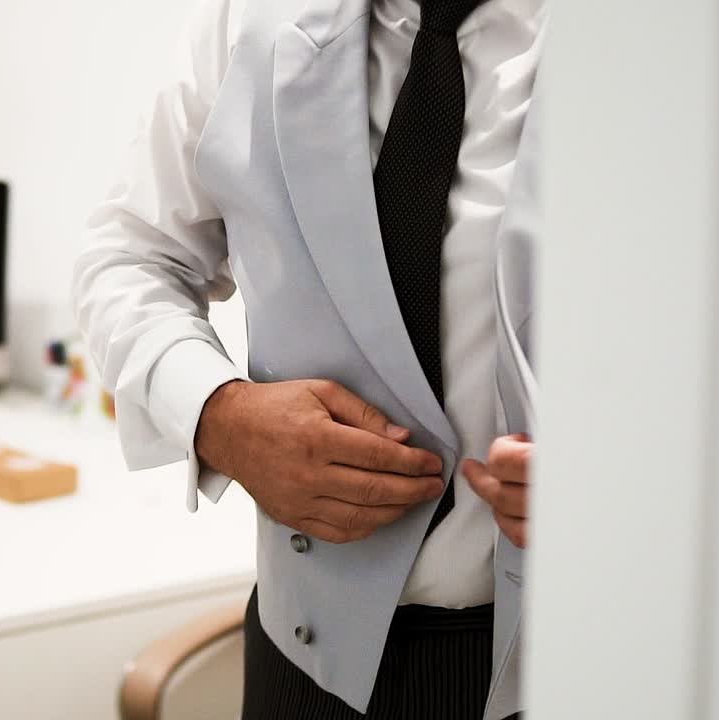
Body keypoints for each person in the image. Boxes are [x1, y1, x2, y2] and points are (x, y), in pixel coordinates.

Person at [73, 0, 543, 717]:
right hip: (300, 667)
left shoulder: (671, 48)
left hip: (565, 659)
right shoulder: (244, 18)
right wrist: (218, 414)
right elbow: (130, 255)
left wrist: (634, 483)